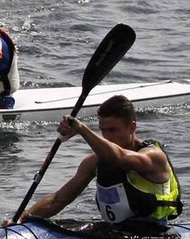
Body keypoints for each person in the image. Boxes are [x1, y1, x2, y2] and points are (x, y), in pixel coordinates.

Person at [11, 95, 181, 231]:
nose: (107, 136)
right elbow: (58, 200)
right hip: (115, 232)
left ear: (132, 127)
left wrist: (82, 129)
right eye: (103, 130)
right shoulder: (93, 162)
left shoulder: (153, 157)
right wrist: (23, 218)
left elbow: (120, 158)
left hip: (154, 233)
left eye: (113, 130)